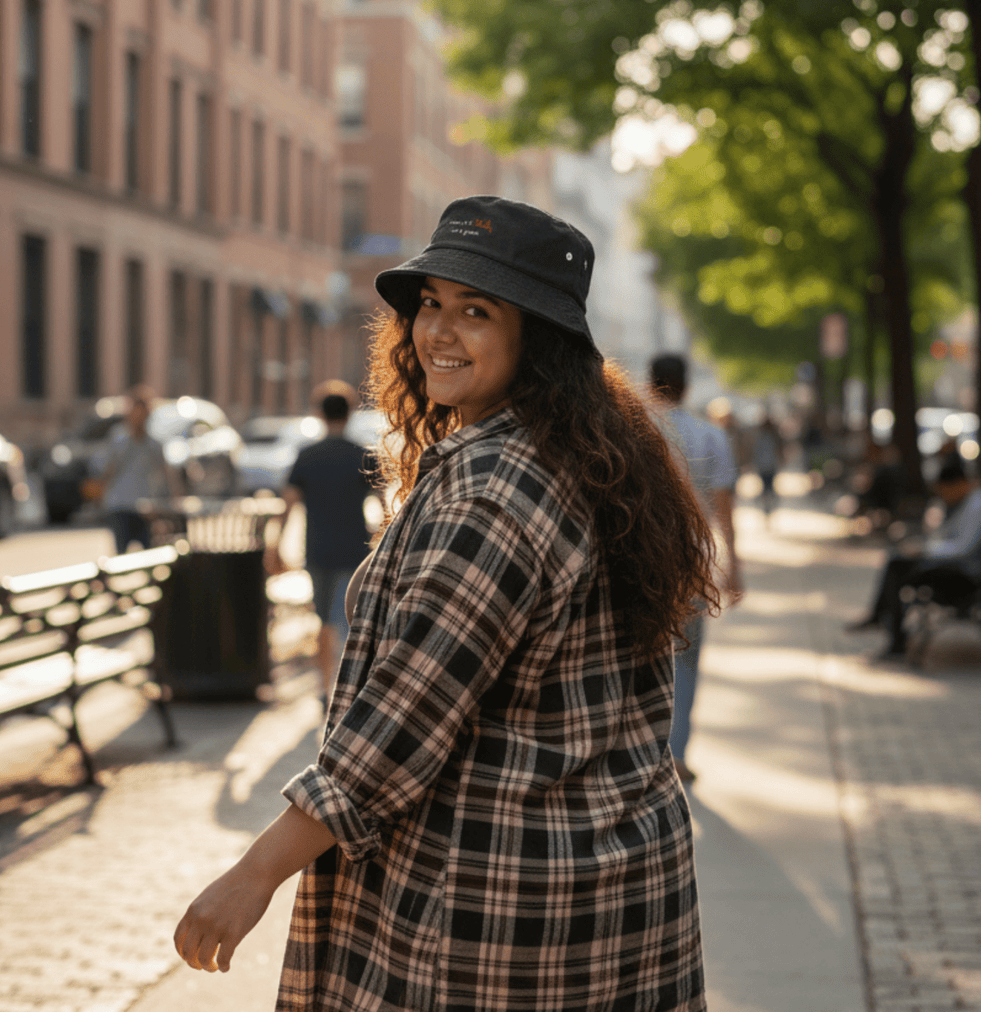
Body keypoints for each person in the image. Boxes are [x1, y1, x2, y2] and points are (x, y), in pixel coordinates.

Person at [174, 196, 719, 1012]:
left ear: (539, 339)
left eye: (476, 311)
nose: (437, 331)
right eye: (430, 303)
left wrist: (255, 872)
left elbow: (400, 722)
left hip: (499, 909)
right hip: (610, 887)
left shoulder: (496, 490)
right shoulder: (587, 456)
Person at [648, 354, 743, 783]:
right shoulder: (710, 435)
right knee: (685, 661)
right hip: (692, 562)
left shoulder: (635, 429)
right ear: (686, 387)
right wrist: (734, 567)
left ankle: (644, 754)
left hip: (642, 558)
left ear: (650, 383)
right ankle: (677, 752)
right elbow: (723, 508)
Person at [264, 382, 379, 705]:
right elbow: (386, 507)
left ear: (319, 414)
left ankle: (324, 689)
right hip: (355, 551)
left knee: (323, 622)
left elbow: (287, 506)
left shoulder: (307, 456)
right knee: (348, 622)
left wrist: (274, 547)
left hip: (317, 549)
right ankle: (347, 690)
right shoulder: (362, 455)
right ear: (350, 412)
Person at [847, 456, 981, 657]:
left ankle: (890, 632)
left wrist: (925, 549)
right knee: (897, 561)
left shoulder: (976, 505)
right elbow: (946, 534)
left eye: (945, 490)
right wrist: (924, 542)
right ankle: (884, 623)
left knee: (898, 565)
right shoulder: (966, 502)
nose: (943, 495)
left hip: (965, 572)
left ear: (960, 484)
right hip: (954, 563)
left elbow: (963, 548)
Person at [91, 386, 175, 554]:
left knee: (150, 554)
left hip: (145, 507)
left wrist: (170, 501)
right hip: (120, 505)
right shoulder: (119, 438)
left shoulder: (154, 443)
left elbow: (166, 474)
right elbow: (105, 469)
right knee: (121, 556)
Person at [751, 411, 784, 517]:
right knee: (767, 485)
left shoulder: (765, 436)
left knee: (767, 485)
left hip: (767, 465)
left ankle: (768, 504)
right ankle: (767, 504)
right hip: (767, 465)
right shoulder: (764, 436)